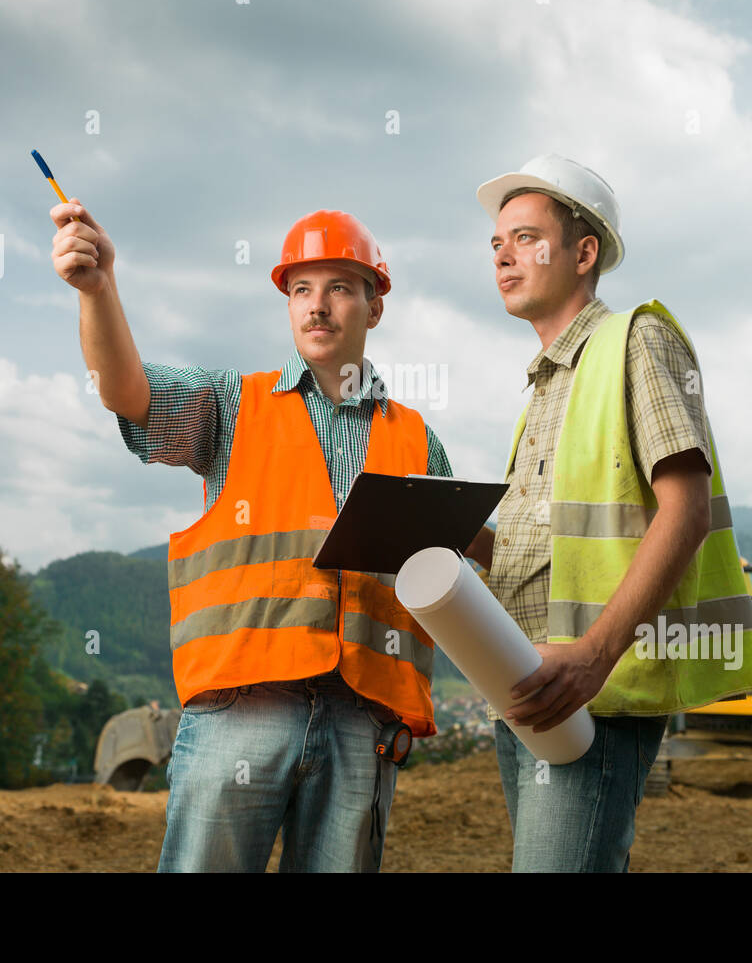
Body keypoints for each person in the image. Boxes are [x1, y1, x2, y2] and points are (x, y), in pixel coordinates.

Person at [50, 200, 452, 872]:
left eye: (340, 288)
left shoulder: (418, 442)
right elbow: (129, 392)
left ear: (375, 305)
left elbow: (451, 572)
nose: (317, 306)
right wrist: (98, 289)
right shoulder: (233, 404)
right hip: (242, 711)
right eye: (301, 289)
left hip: (363, 723)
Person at [463, 154, 752, 872]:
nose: (504, 253)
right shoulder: (543, 388)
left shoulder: (636, 339)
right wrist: (440, 536)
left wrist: (594, 656)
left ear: (584, 251)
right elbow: (542, 550)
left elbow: (686, 510)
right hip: (530, 683)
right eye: (497, 243)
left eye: (527, 236)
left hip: (597, 691)